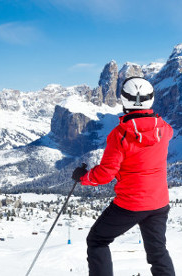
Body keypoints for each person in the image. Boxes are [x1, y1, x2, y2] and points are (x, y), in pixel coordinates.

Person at [72, 77, 175, 276]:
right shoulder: (165, 129)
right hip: (159, 203)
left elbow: (105, 174)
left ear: (124, 100)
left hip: (130, 204)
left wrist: (83, 178)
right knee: (158, 251)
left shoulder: (119, 135)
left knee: (97, 240)